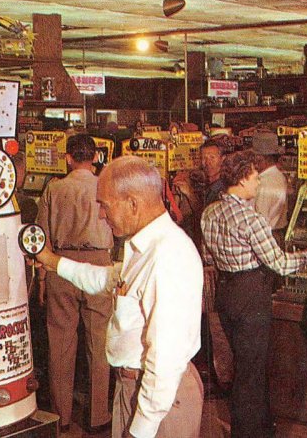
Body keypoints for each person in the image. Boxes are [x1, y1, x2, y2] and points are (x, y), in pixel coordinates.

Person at [37, 156, 204, 438]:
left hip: (157, 401)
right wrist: (53, 262)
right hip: (135, 389)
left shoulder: (167, 256)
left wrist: (140, 430)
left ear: (133, 203)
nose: (101, 215)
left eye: (104, 205)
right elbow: (106, 279)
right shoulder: (143, 249)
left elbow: (165, 358)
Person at [201, 150, 307, 438]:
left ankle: (262, 427)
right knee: (251, 371)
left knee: (246, 362)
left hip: (226, 293)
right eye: (254, 178)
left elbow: (208, 257)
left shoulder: (209, 213)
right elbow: (280, 264)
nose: (258, 184)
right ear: (240, 179)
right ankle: (247, 432)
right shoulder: (252, 220)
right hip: (251, 292)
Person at [36, 134, 113, 434]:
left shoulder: (54, 189)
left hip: (60, 264)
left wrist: (43, 277)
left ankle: (62, 417)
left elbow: (41, 237)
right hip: (99, 265)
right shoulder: (105, 186)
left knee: (60, 344)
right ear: (94, 157)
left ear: (68, 158)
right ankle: (98, 417)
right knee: (99, 343)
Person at [252, 131, 289, 237]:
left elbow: (260, 221)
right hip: (276, 233)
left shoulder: (264, 183)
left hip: (267, 236)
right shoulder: (278, 176)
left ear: (260, 158)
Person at [201, 138, 226, 207]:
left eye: (212, 157)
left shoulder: (222, 189)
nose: (207, 162)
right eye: (204, 158)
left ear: (222, 159)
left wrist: (190, 194)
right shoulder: (208, 185)